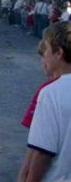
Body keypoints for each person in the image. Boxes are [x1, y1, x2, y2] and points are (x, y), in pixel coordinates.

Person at [18, 22, 71, 181]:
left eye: (46, 50)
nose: (43, 57)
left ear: (59, 53)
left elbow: (41, 154)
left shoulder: (51, 93)